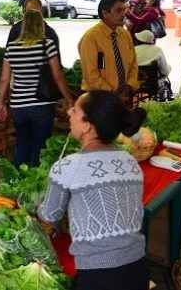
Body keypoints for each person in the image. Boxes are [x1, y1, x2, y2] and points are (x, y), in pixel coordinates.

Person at [38, 90, 148, 290]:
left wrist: (39, 205)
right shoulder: (131, 161)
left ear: (88, 125)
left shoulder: (67, 167)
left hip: (97, 277)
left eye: (75, 110)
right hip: (138, 269)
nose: (69, 112)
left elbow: (49, 216)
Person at [0, 10, 73, 167]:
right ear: (41, 25)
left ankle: (18, 180)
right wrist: (69, 99)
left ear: (23, 25)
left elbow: (5, 79)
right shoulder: (47, 45)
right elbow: (58, 76)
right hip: (42, 105)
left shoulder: (11, 47)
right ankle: (35, 183)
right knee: (40, 146)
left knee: (22, 142)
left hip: (18, 105)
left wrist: (1, 103)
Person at [79, 0, 138, 100]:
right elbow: (91, 75)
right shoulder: (91, 38)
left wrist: (129, 86)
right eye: (119, 10)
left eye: (124, 9)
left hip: (124, 97)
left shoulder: (125, 34)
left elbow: (133, 64)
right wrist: (113, 93)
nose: (124, 14)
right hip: (99, 100)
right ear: (105, 13)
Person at [134, 30, 171, 101]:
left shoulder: (134, 50)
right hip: (153, 84)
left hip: (135, 82)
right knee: (168, 68)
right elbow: (164, 71)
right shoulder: (157, 50)